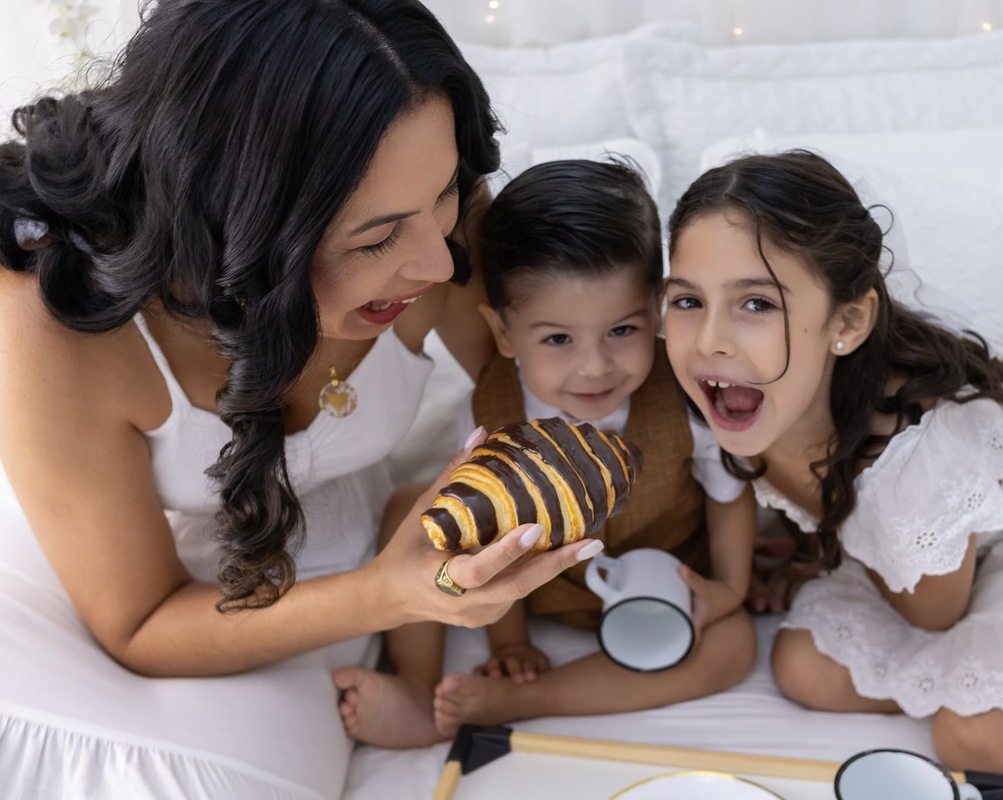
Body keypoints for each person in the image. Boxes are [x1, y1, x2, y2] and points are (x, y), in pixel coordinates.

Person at [0, 1, 600, 795]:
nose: (437, 264)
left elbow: (569, 382)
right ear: (237, 228)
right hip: (104, 595)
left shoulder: (431, 209)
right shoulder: (55, 325)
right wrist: (387, 593)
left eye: (448, 192)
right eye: (375, 237)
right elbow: (139, 624)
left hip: (322, 595)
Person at [659, 149, 1003, 784]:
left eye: (757, 304)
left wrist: (803, 487)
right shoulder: (740, 396)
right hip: (949, 556)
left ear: (849, 321)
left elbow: (935, 616)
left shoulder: (915, 459)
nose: (708, 340)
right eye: (687, 300)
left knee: (978, 743)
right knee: (803, 665)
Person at [333, 159, 758, 746]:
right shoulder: (493, 410)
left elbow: (728, 491)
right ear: (504, 333)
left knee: (734, 646)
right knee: (412, 513)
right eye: (558, 338)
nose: (594, 365)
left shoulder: (683, 389)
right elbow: (482, 534)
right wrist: (510, 643)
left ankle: (530, 700)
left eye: (623, 331)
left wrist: (731, 587)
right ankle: (415, 683)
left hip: (665, 589)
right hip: (535, 591)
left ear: (658, 310)